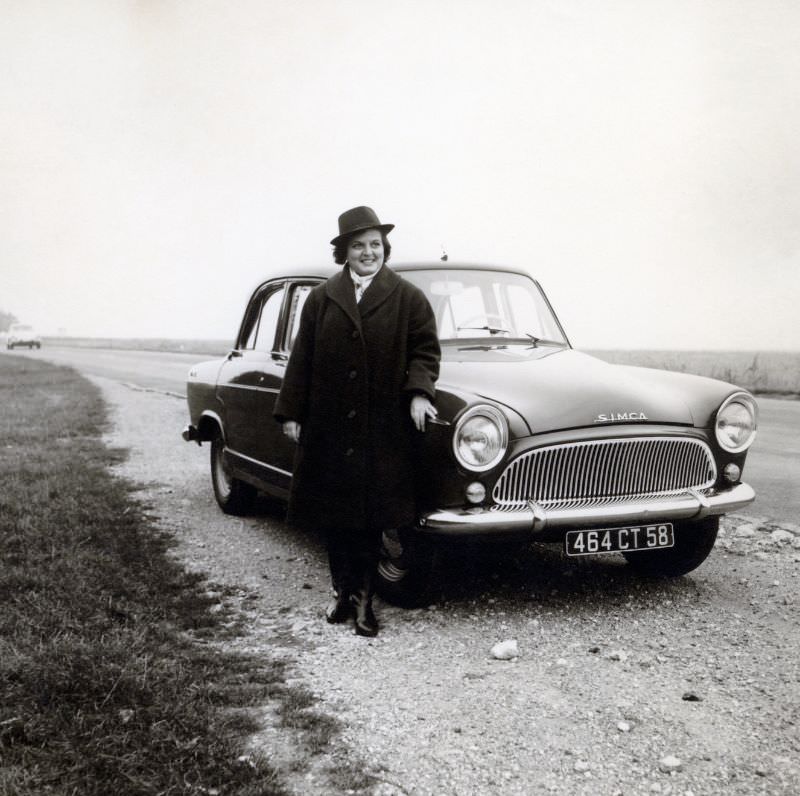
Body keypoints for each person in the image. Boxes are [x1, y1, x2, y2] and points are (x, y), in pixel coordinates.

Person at [273, 206, 440, 637]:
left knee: (369, 518)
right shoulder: (322, 297)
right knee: (334, 515)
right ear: (343, 252)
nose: (368, 252)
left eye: (375, 245)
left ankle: (365, 602)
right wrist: (291, 411)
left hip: (381, 428)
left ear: (385, 248)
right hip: (329, 427)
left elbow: (425, 352)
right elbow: (302, 359)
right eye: (358, 245)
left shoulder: (407, 297)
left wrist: (420, 393)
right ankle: (340, 595)